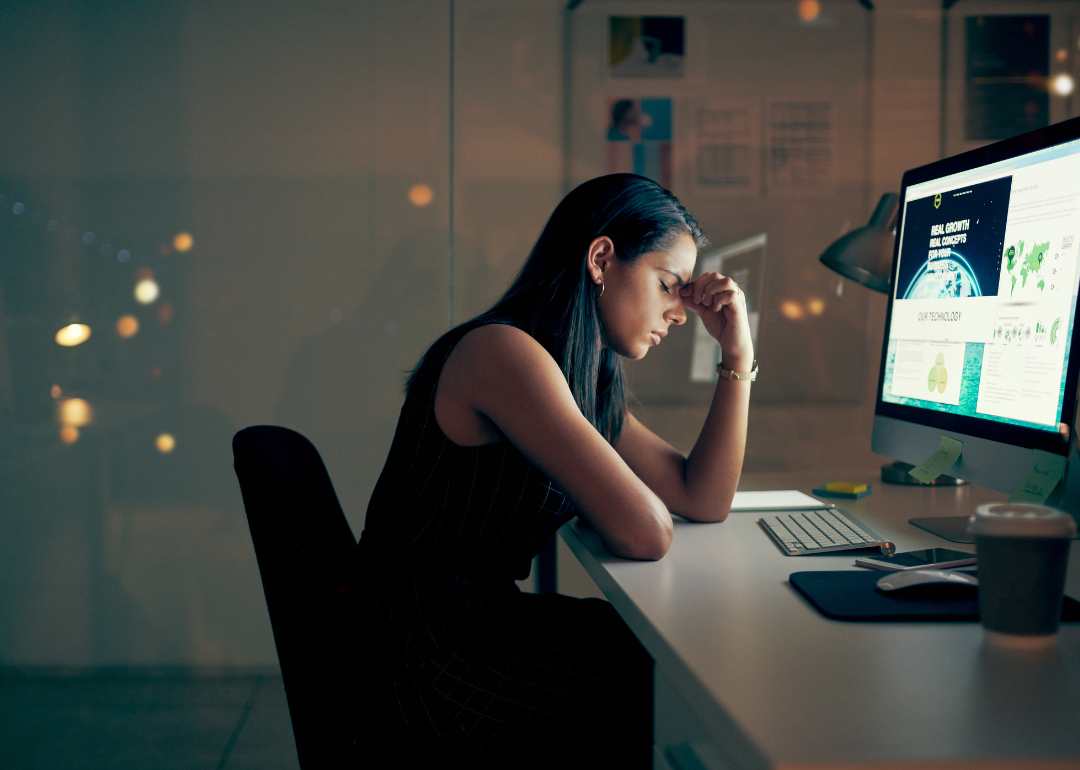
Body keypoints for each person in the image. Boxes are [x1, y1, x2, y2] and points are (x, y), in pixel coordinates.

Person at [354, 173, 753, 767]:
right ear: (601, 259)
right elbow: (647, 532)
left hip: (475, 625)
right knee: (679, 692)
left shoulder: (578, 375)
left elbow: (702, 497)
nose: (678, 314)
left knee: (679, 659)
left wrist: (738, 356)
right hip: (424, 655)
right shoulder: (503, 354)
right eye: (669, 285)